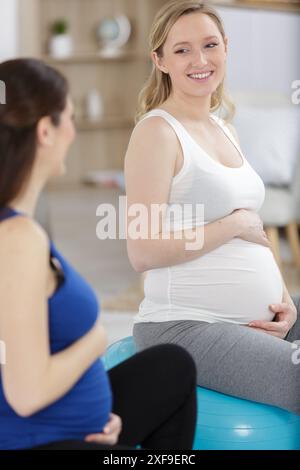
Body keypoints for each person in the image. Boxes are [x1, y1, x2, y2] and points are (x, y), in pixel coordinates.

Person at [0, 58, 197, 450]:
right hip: (43, 441)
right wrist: (95, 340)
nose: (73, 130)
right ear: (45, 131)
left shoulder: (18, 228)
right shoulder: (17, 240)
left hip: (76, 426)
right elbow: (26, 394)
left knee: (172, 367)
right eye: (69, 118)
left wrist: (92, 411)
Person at [125, 0, 300, 415]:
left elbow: (253, 234)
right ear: (160, 61)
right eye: (182, 49)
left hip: (253, 318)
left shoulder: (225, 127)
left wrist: (283, 298)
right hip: (185, 325)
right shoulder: (156, 133)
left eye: (210, 45)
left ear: (225, 48)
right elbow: (142, 251)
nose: (199, 60)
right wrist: (234, 223)